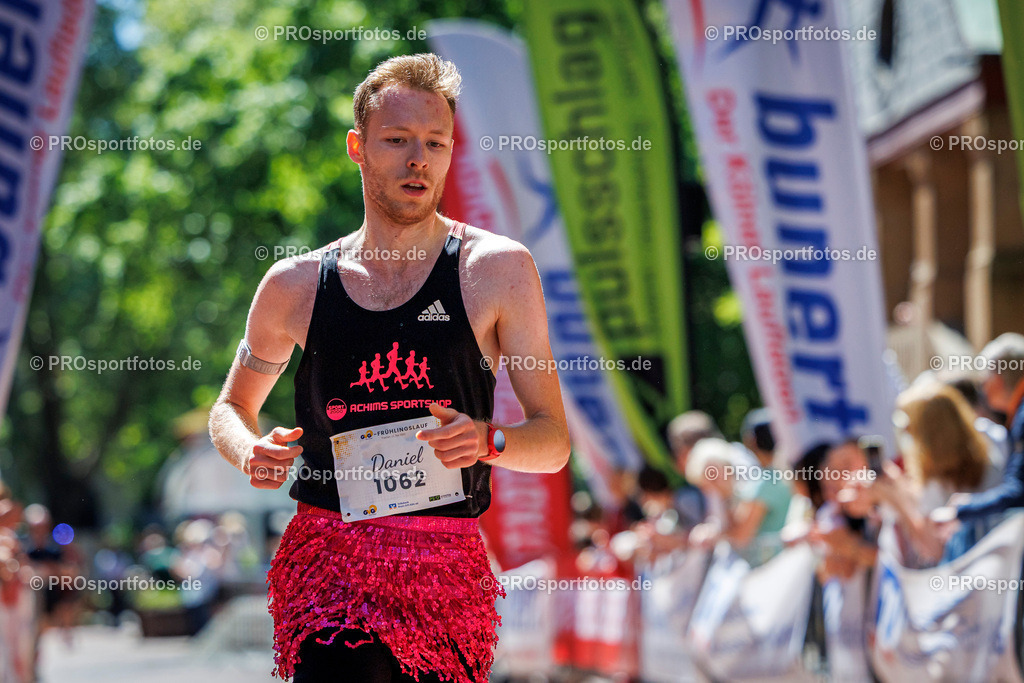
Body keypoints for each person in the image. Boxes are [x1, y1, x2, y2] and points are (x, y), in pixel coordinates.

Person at [209, 53, 570, 683]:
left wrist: (490, 440)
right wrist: (249, 450)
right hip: (331, 569)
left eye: (435, 143)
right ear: (358, 146)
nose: (418, 160)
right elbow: (230, 409)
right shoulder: (294, 285)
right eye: (397, 140)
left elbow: (553, 442)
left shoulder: (498, 271)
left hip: (446, 575)